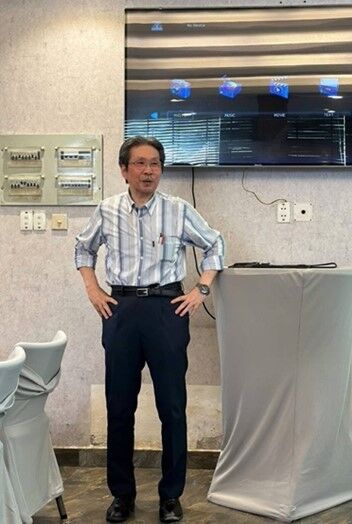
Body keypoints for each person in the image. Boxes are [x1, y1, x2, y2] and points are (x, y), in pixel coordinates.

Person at [75, 136, 225, 523]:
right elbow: (83, 249)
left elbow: (215, 245)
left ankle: (170, 497)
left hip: (166, 309)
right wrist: (93, 290)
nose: (148, 171)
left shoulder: (178, 210)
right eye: (140, 163)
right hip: (121, 310)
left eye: (155, 163)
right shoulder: (107, 210)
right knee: (119, 407)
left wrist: (200, 289)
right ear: (124, 170)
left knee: (172, 407)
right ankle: (121, 495)